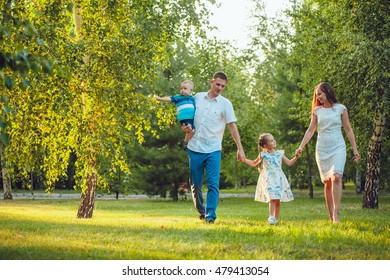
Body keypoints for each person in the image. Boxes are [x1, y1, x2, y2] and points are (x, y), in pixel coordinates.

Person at [182, 72, 246, 224]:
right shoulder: (197, 97)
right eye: (217, 84)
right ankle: (201, 210)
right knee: (195, 185)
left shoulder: (225, 104)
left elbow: (232, 126)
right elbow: (186, 114)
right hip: (195, 147)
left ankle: (211, 215)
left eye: (223, 86)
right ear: (212, 82)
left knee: (213, 183)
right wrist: (185, 126)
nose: (219, 88)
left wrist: (240, 148)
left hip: (213, 149)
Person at [295, 82, 360, 223]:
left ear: (328, 92)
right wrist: (301, 146)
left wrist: (355, 149)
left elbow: (348, 129)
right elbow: (310, 130)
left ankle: (336, 214)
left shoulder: (341, 109)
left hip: (338, 147)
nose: (318, 97)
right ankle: (330, 215)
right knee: (327, 182)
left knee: (336, 176)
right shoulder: (317, 111)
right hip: (322, 149)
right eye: (316, 95)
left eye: (320, 94)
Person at [244, 133, 298, 225]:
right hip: (269, 179)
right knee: (272, 198)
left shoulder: (280, 154)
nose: (274, 141)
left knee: (277, 199)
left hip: (279, 179)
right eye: (271, 140)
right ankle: (271, 216)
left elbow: (289, 163)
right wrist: (244, 159)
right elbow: (254, 163)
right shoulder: (263, 154)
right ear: (265, 145)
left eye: (273, 139)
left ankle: (275, 219)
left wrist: (296, 156)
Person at [156, 80, 196, 150]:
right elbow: (169, 98)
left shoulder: (192, 99)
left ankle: (186, 141)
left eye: (185, 88)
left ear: (191, 90)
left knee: (192, 130)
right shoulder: (178, 97)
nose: (182, 90)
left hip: (192, 118)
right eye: (181, 88)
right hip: (184, 118)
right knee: (191, 130)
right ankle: (185, 142)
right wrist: (160, 99)